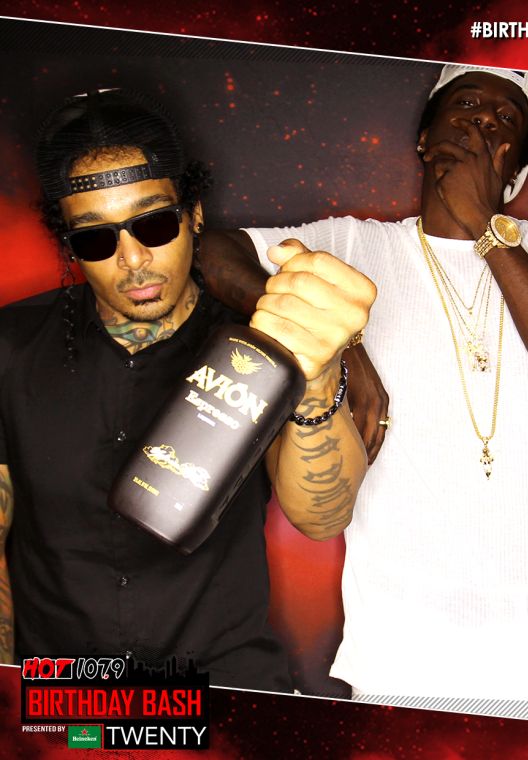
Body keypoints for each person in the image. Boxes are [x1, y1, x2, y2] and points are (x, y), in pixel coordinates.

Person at [200, 64, 528, 717]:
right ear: (426, 137)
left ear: (517, 171)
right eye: (465, 104)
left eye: (505, 120)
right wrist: (340, 340)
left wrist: (484, 226)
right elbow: (210, 254)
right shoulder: (353, 243)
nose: (481, 120)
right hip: (398, 640)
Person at [0, 89, 376, 691]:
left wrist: (318, 375)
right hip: (69, 699)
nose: (132, 259)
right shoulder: (10, 346)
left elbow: (322, 518)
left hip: (222, 690)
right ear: (70, 245)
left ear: (193, 215)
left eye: (153, 223)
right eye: (96, 238)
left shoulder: (261, 346)